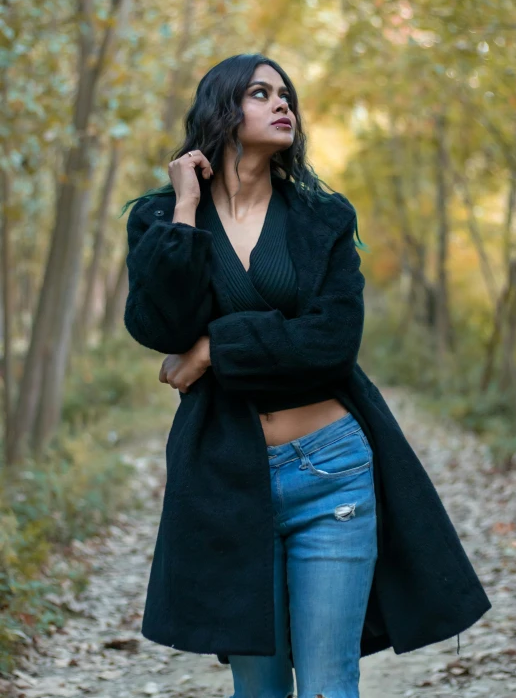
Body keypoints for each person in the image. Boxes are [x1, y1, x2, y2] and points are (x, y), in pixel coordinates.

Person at [121, 54, 491, 698]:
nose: (282, 103)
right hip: (227, 474)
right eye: (261, 93)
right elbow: (160, 326)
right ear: (221, 109)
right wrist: (185, 210)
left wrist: (211, 350)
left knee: (327, 683)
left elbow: (331, 343)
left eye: (286, 94)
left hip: (334, 473)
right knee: (259, 688)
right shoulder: (159, 219)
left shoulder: (323, 217)